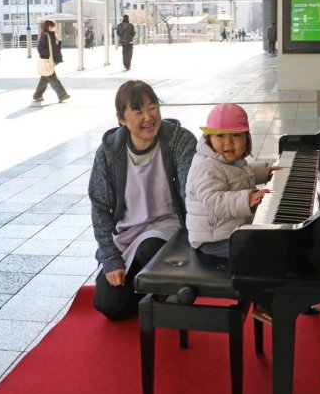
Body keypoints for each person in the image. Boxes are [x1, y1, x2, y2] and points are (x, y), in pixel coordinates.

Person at [88, 80, 197, 320]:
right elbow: (100, 209)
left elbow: (195, 188)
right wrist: (110, 259)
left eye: (153, 107)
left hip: (169, 231)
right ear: (121, 119)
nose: (148, 117)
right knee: (110, 306)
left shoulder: (179, 140)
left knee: (151, 248)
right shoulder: (108, 152)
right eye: (138, 111)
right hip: (127, 238)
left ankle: (164, 287)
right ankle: (160, 288)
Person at [185, 103, 272, 259]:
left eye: (236, 135)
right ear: (209, 138)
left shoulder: (224, 161)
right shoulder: (206, 166)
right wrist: (247, 199)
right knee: (262, 251)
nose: (228, 142)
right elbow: (213, 201)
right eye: (220, 135)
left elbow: (238, 176)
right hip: (213, 240)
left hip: (227, 229)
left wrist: (265, 172)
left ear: (247, 138)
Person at [33, 20, 70, 104]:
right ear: (48, 26)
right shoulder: (45, 35)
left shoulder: (51, 35)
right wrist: (49, 56)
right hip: (48, 61)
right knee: (53, 78)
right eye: (52, 26)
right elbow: (40, 48)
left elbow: (55, 49)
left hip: (52, 60)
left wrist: (59, 42)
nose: (54, 27)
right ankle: (62, 95)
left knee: (45, 79)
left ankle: (37, 95)